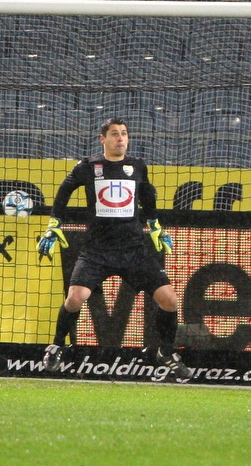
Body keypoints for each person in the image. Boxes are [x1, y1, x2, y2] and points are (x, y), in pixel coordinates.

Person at [37, 117, 192, 380]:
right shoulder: (88, 166)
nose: (120, 138)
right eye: (114, 134)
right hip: (97, 251)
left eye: (124, 134)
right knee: (75, 298)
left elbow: (148, 195)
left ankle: (165, 352)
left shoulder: (138, 166)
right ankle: (57, 346)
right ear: (103, 139)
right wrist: (54, 225)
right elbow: (64, 191)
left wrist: (154, 224)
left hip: (134, 250)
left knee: (169, 300)